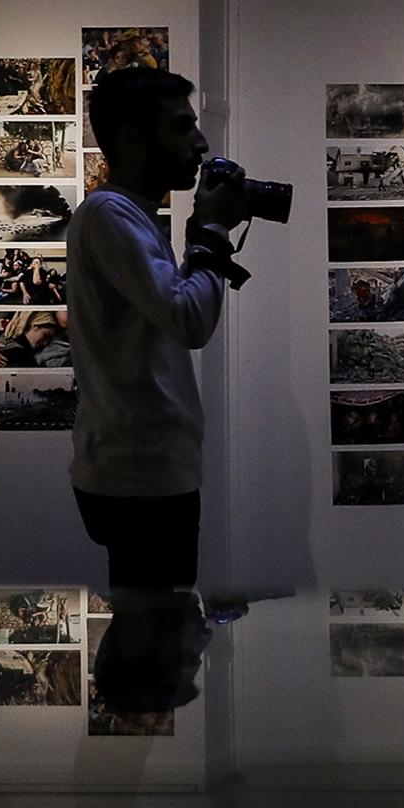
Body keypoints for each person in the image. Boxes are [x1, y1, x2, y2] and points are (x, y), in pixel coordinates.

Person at [68, 67, 248, 589]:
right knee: (157, 627)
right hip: (139, 478)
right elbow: (189, 320)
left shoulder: (130, 214)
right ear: (130, 139)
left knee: (150, 622)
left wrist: (203, 236)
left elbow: (173, 312)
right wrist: (213, 229)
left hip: (142, 470)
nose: (201, 144)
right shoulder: (110, 214)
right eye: (181, 126)